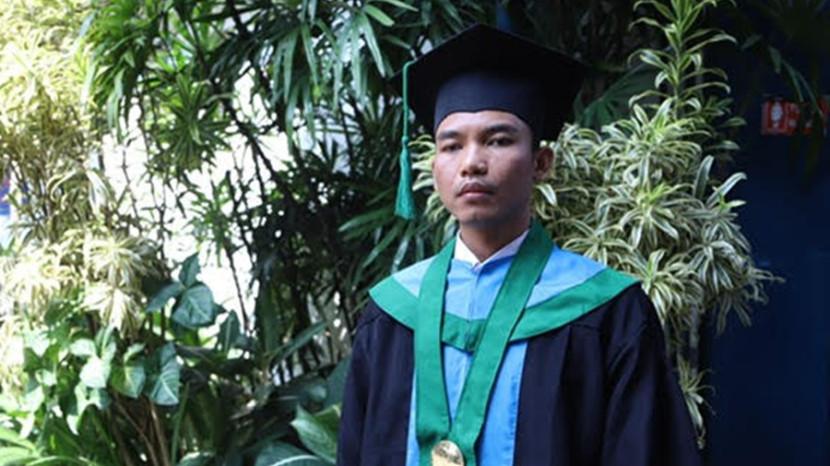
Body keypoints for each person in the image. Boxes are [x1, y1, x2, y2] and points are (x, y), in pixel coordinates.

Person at [337, 24, 702, 466]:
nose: (471, 163)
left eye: (498, 140)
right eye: (451, 146)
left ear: (541, 163)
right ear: (434, 168)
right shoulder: (391, 312)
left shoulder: (607, 312)